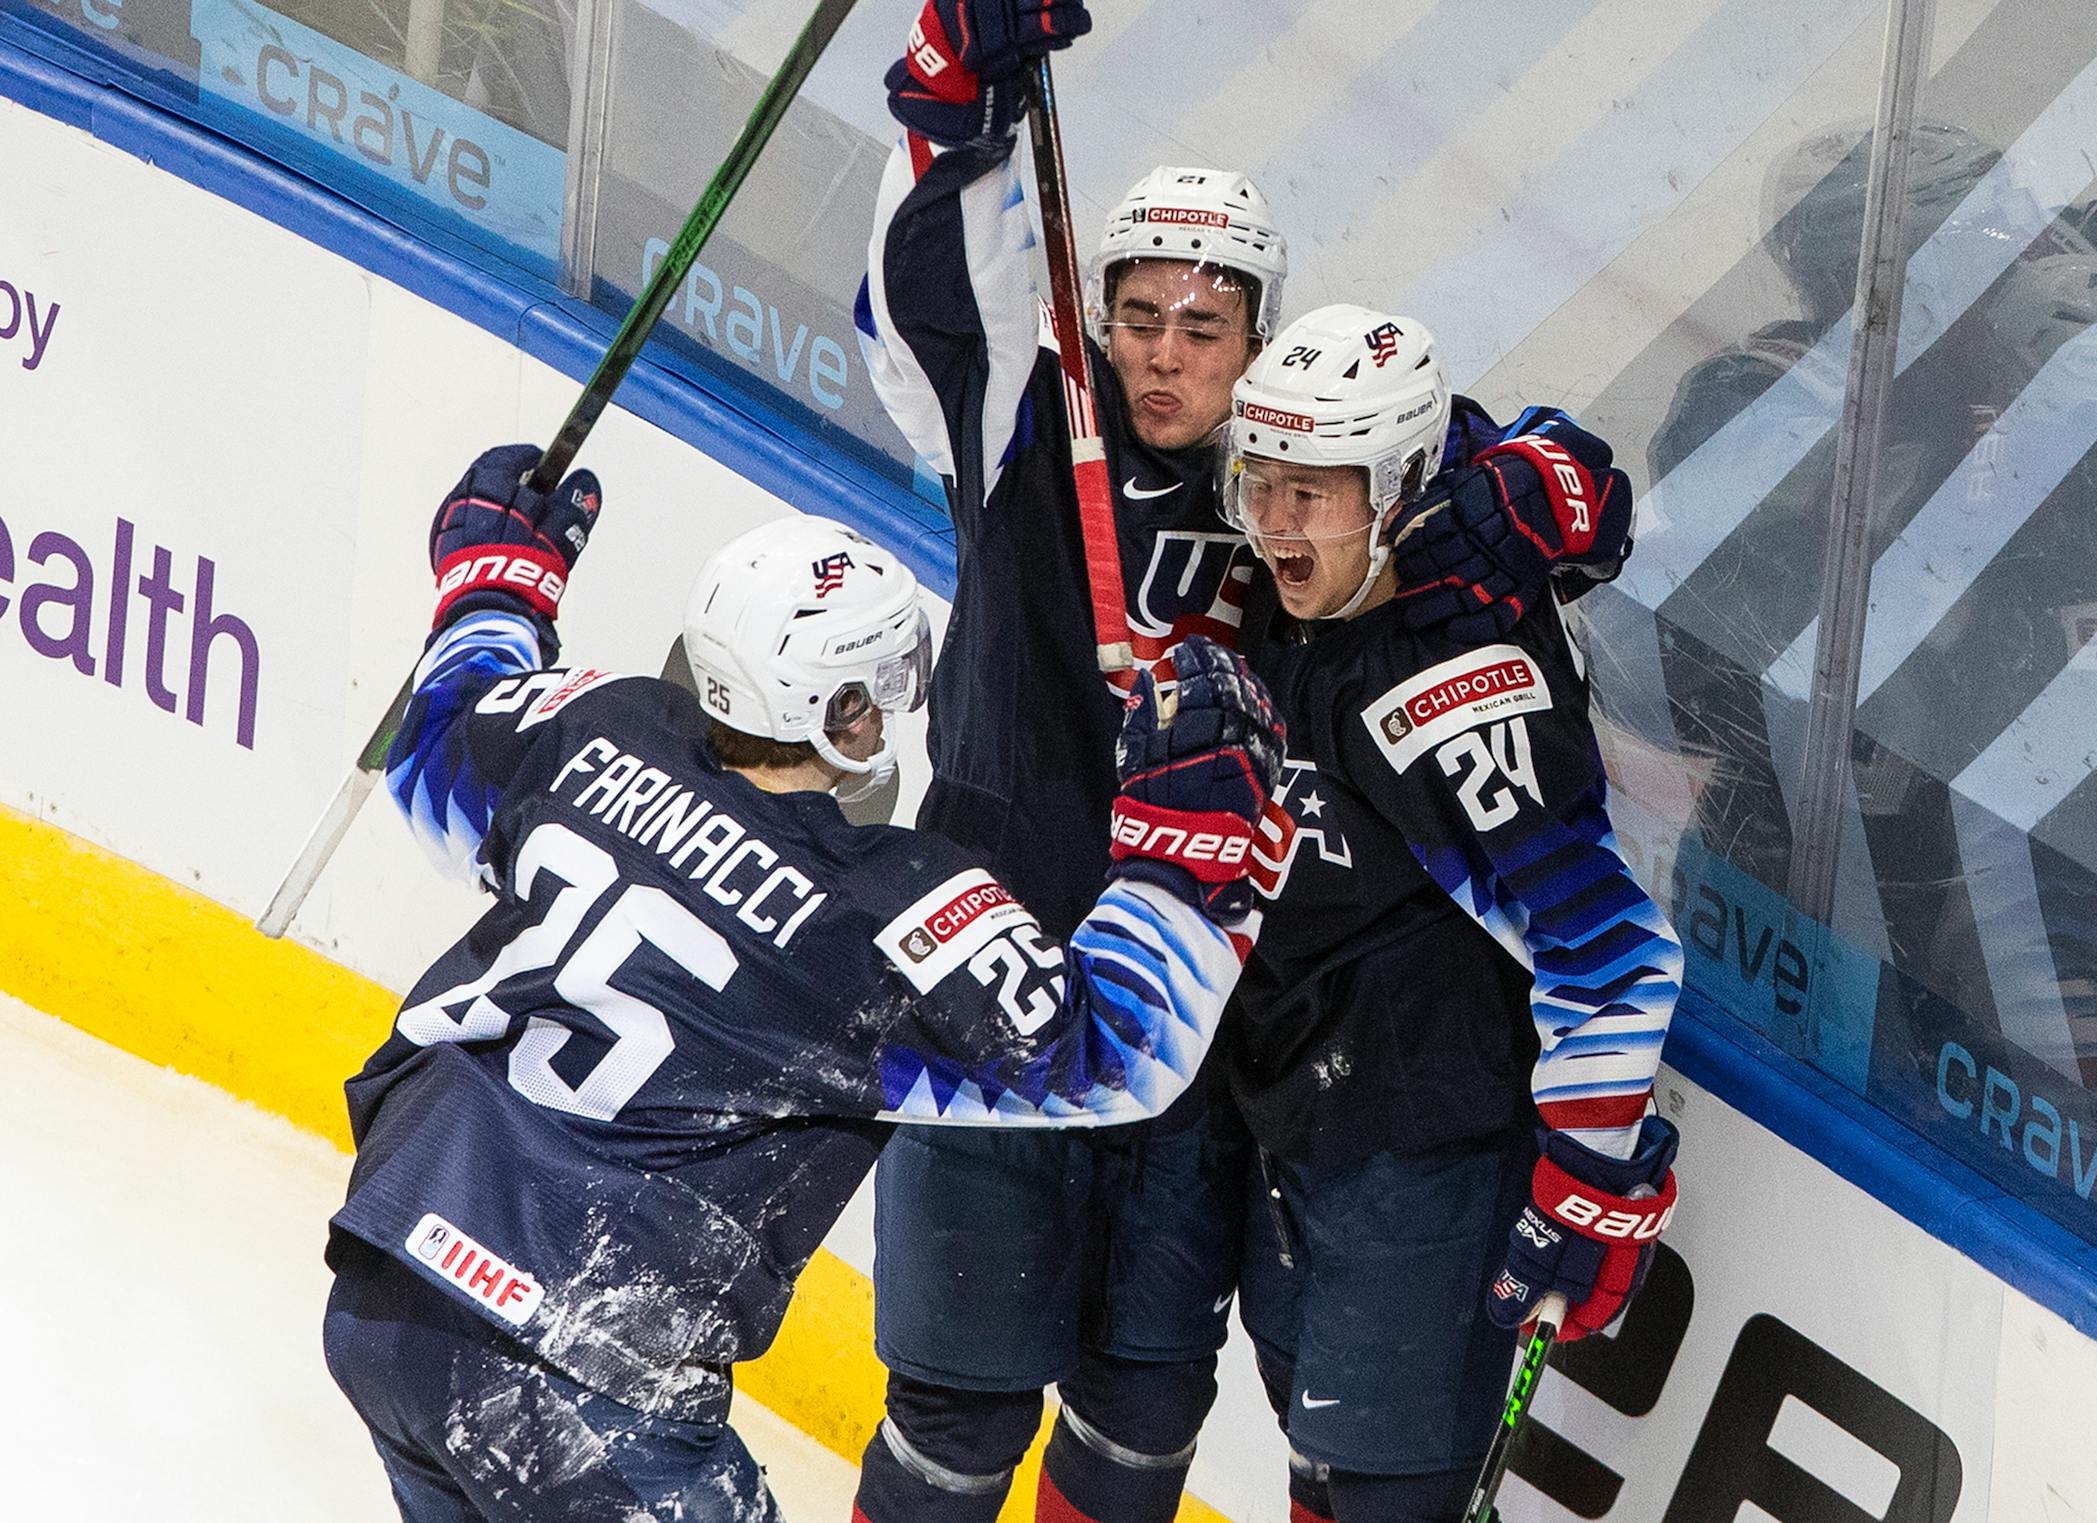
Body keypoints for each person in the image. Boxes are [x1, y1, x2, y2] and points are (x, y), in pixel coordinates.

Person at [851, 4, 1637, 1518]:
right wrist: (957, 107)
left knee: (1142, 1410)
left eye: (1201, 328)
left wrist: (1549, 489)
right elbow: (925, 305)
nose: (1161, 356)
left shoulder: (1313, 464)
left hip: (1202, 1033)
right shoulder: (1029, 423)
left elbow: (1553, 486)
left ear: (1256, 338)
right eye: (1138, 317)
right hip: (992, 979)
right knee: (954, 1412)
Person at [318, 442, 1287, 1522]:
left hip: (390, 1287)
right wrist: (1186, 850)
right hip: (587, 1376)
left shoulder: (597, 721)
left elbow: (442, 733)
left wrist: (495, 576)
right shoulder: (885, 911)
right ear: (847, 711)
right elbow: (1115, 1051)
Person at [1214, 306, 1684, 1521]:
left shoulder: (1446, 692)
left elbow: (1616, 956)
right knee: (1320, 1463)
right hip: (1299, 1109)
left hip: (1421, 1145)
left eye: (1310, 493)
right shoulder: (1328, 571)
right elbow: (1528, 457)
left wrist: (1587, 1178)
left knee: (1382, 1488)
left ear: (1400, 489)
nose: (1273, 522)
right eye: (1259, 482)